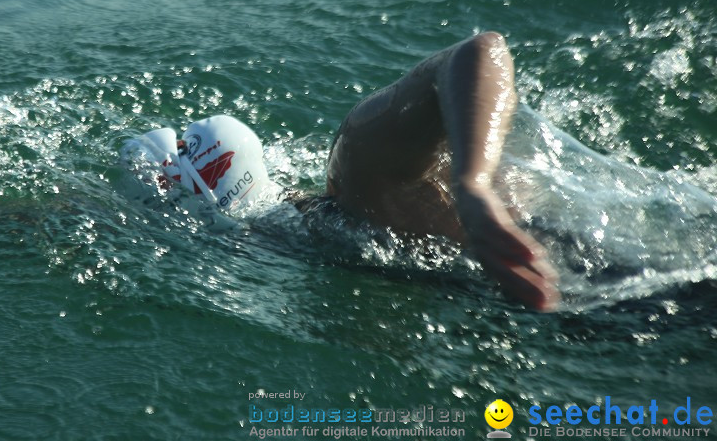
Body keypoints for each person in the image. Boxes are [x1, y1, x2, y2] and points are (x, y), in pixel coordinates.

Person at [124, 32, 560, 312]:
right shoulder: (334, 240)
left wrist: (473, 184)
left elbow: (481, 50)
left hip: (607, 299)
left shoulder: (359, 178)